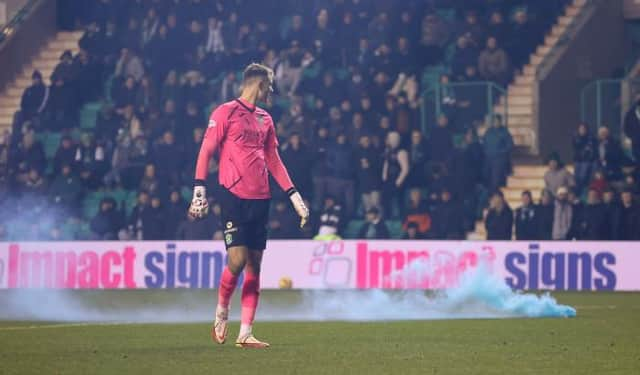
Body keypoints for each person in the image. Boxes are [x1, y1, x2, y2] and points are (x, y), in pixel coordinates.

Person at [188, 63, 309, 348]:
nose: (272, 90)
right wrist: (199, 188)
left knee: (255, 265)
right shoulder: (225, 112)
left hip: (261, 198)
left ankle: (245, 333)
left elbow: (273, 159)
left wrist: (293, 195)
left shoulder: (266, 119)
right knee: (238, 259)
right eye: (270, 85)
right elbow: (206, 150)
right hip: (233, 195)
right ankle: (221, 312)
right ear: (259, 84)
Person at [381, 131, 409, 218]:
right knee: (386, 199)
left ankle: (398, 218)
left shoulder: (402, 152)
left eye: (389, 138)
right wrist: (384, 175)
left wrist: (398, 181)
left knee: (398, 201)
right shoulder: (388, 151)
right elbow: (386, 163)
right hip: (388, 180)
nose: (387, 140)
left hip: (397, 180)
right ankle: (387, 217)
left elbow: (405, 169)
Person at [572, 123, 597, 195]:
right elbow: (577, 148)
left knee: (583, 176)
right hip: (578, 160)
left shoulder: (591, 138)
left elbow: (590, 150)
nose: (582, 130)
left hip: (587, 160)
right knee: (577, 178)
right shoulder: (575, 138)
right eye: (581, 129)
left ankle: (583, 191)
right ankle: (578, 193)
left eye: (583, 129)